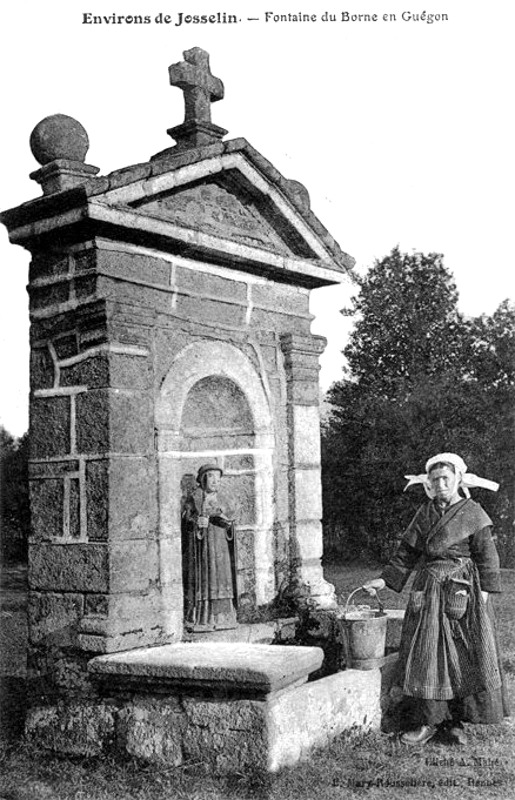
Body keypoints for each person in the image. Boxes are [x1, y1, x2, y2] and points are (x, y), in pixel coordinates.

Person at [364, 452, 508, 746]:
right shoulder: (425, 514)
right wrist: (384, 579)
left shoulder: (472, 512)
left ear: (457, 479)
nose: (441, 484)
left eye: (446, 478)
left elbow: (487, 557)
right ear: (428, 484)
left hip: (462, 593)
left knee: (463, 656)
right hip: (428, 592)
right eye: (435, 480)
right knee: (426, 656)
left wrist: (479, 597)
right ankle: (427, 721)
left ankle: (456, 723)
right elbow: (406, 555)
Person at [181, 464, 238, 632]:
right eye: (211, 476)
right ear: (203, 478)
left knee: (222, 577)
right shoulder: (195, 498)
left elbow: (232, 521)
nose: (215, 480)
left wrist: (227, 522)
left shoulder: (224, 499)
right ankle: (202, 618)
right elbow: (187, 520)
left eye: (217, 476)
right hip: (202, 547)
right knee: (205, 577)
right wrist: (196, 523)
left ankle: (223, 618)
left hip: (220, 545)